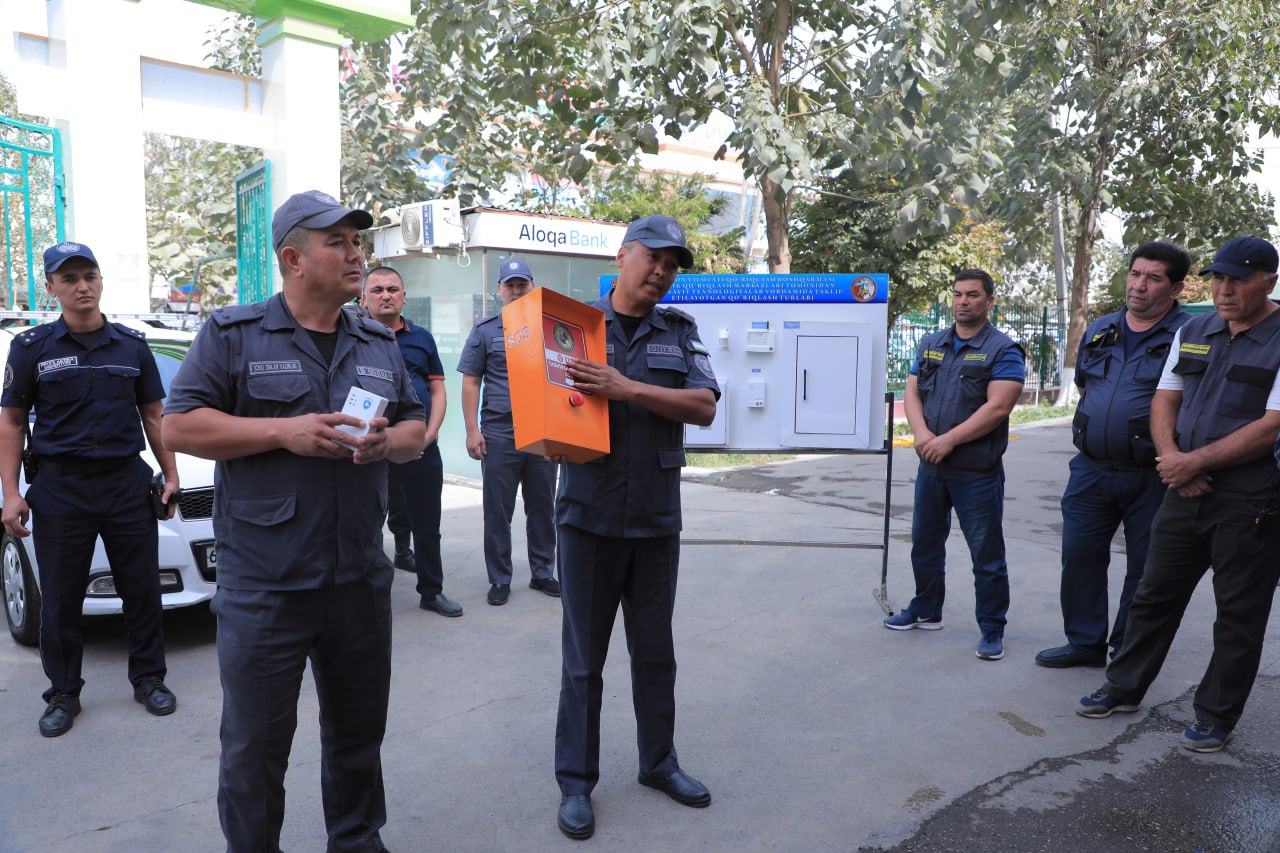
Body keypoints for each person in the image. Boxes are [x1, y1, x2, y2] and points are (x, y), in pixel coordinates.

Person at [161, 190, 426, 851]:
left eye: (357, 241)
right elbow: (179, 426)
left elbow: (414, 427)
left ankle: (357, 840)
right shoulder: (234, 334)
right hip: (265, 586)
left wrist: (386, 443)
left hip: (358, 578)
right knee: (255, 747)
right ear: (293, 259)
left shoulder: (377, 340)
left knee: (359, 733)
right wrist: (284, 431)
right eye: (338, 242)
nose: (356, 254)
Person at [1077, 235, 1280, 754]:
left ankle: (1215, 714)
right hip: (1183, 488)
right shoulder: (1194, 330)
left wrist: (1194, 462)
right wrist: (1172, 460)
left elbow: (1271, 426)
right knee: (1153, 595)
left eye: (1238, 280)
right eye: (1219, 278)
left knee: (1238, 614)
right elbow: (1166, 399)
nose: (1224, 289)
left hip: (1251, 500)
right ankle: (1124, 687)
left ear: (1269, 283)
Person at [552, 215, 719, 841]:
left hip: (654, 518)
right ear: (622, 256)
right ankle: (576, 783)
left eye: (672, 265)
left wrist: (627, 387)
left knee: (654, 653)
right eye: (653, 258)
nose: (661, 272)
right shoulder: (574, 328)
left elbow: (704, 405)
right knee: (583, 662)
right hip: (587, 517)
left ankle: (658, 763)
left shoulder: (679, 331)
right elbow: (543, 408)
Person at [0, 241, 179, 738]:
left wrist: (170, 473)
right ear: (52, 288)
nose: (83, 286)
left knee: (142, 590)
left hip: (126, 483)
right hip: (61, 487)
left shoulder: (131, 345)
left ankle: (149, 679)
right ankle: (63, 693)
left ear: (100, 281)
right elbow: (11, 421)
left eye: (90, 276)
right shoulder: (31, 348)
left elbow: (154, 415)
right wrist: (11, 492)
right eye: (70, 279)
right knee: (60, 600)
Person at [1037, 243, 1190, 668]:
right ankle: (1084, 643)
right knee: (1079, 557)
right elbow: (1086, 387)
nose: (1139, 285)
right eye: (1135, 274)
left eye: (1153, 278)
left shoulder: (1191, 335)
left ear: (1176, 287)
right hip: (1091, 470)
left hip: (1152, 476)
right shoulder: (1101, 328)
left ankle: (1127, 651)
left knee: (1146, 569)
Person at [885, 269, 1025, 662]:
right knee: (925, 544)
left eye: (973, 295)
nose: (963, 301)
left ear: (989, 302)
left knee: (986, 554)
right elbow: (913, 389)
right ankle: (927, 609)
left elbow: (998, 407)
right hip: (931, 467)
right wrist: (921, 434)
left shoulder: (1004, 350)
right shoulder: (932, 343)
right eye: (958, 294)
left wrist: (948, 440)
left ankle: (992, 626)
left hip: (975, 471)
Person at [361, 266, 463, 617]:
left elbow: (437, 389)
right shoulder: (353, 338)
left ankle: (431, 591)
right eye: (377, 290)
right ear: (364, 299)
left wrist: (427, 435)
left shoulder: (422, 338)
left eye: (392, 289)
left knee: (427, 524)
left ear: (404, 297)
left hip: (422, 450)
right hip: (372, 450)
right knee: (366, 525)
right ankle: (367, 595)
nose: (385, 295)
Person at [458, 257, 559, 606]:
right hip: (500, 433)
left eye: (522, 284)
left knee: (543, 508)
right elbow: (471, 381)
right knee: (497, 511)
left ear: (533, 286)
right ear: (500, 290)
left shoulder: (550, 327)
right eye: (510, 285)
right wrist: (472, 430)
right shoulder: (485, 331)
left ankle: (542, 572)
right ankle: (500, 578)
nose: (516, 291)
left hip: (542, 433)